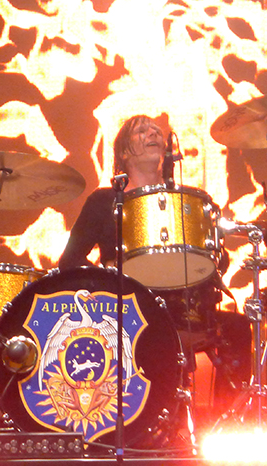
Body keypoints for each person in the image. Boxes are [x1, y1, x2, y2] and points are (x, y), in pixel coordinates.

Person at [58, 114, 252, 423]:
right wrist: (107, 275)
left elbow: (215, 260)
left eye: (156, 131)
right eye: (141, 131)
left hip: (186, 310)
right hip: (127, 309)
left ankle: (227, 425)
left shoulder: (185, 201)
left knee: (237, 327)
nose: (152, 134)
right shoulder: (104, 201)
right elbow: (69, 262)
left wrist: (212, 256)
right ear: (124, 152)